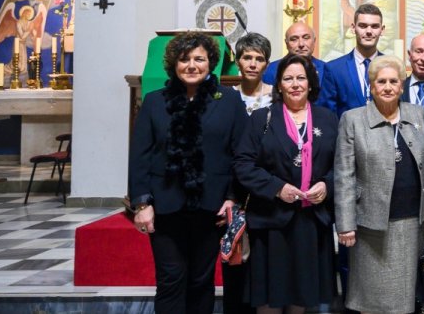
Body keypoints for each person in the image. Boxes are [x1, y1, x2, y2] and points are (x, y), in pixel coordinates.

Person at [128, 32, 247, 314]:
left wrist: (233, 197)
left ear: (210, 63)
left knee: (201, 281)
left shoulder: (229, 100)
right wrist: (142, 203)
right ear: (174, 64)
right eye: (184, 59)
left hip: (212, 207)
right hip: (166, 206)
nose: (191, 65)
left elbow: (240, 154)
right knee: (170, 279)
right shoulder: (155, 101)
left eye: (199, 59)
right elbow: (140, 156)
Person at [336, 56, 424, 314]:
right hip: (371, 224)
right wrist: (345, 224)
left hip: (411, 221)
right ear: (371, 86)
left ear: (402, 86)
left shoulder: (418, 114)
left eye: (393, 81)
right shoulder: (353, 119)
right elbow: (344, 175)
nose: (387, 87)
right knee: (371, 297)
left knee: (404, 296)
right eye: (381, 81)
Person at [234, 54, 338, 312]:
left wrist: (327, 185)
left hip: (311, 221)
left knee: (300, 297)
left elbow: (343, 165)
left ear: (310, 83)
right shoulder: (262, 119)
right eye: (288, 78)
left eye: (301, 78)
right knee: (269, 297)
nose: (295, 84)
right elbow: (243, 165)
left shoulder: (328, 119)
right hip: (271, 221)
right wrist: (277, 188)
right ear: (278, 84)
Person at [223, 32, 274, 314]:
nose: (253, 63)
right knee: (234, 259)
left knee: (262, 260)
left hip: (266, 187)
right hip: (234, 188)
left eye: (259, 58)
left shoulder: (276, 97)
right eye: (247, 57)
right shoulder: (226, 96)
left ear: (266, 64)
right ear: (238, 61)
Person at [321, 3, 385, 117]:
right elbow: (326, 115)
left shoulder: (392, 67)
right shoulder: (334, 69)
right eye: (363, 26)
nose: (369, 31)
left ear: (382, 30)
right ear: (353, 28)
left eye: (374, 26)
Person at [261, 22, 326, 86]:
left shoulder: (325, 70)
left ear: (314, 41)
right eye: (294, 39)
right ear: (286, 44)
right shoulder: (270, 70)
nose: (301, 44)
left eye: (306, 38)